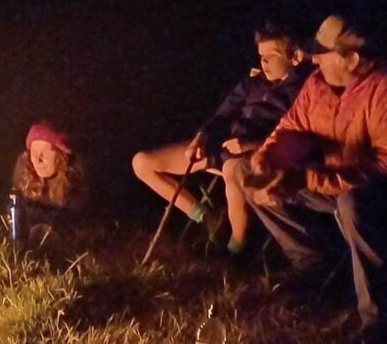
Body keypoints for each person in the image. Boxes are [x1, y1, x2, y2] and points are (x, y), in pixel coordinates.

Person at [244, 15, 387, 327]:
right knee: (243, 173)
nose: (314, 59)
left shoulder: (384, 88)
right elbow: (293, 127)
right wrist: (268, 160)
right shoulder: (319, 83)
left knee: (351, 202)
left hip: (381, 198)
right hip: (332, 184)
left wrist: (306, 178)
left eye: (322, 52)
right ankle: (314, 264)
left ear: (352, 59)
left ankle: (377, 321)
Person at [131, 23, 308, 253]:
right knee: (142, 162)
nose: (263, 63)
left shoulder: (304, 92)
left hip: (256, 156)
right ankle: (207, 219)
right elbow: (223, 114)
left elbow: (295, 133)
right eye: (260, 57)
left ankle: (235, 250)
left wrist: (250, 145)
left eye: (270, 57)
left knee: (232, 169)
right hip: (224, 147)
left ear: (295, 57)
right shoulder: (252, 83)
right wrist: (201, 138)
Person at [11, 121, 90, 237]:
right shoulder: (24, 169)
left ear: (60, 155)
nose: (38, 160)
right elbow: (17, 209)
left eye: (45, 153)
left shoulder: (76, 175)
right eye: (34, 152)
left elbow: (80, 222)